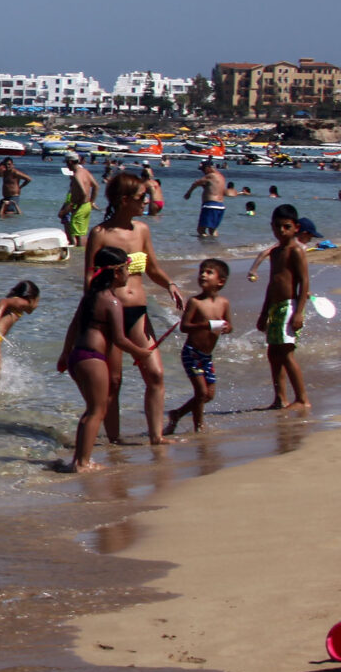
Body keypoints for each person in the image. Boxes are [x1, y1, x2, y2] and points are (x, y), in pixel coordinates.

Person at [83, 174, 186, 446]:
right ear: (124, 200)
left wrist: (170, 285)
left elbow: (152, 268)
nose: (147, 202)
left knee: (155, 374)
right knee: (114, 381)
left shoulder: (141, 230)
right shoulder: (100, 234)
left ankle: (157, 436)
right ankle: (114, 441)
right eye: (142, 198)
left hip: (138, 313)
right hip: (109, 317)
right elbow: (89, 279)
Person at [55, 246, 157, 472]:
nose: (129, 275)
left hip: (77, 356)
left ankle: (79, 460)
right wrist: (141, 352)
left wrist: (64, 354)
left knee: (92, 410)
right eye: (127, 269)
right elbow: (120, 339)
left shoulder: (90, 297)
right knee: (96, 411)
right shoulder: (112, 302)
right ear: (117, 273)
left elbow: (73, 327)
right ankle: (82, 462)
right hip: (93, 359)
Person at [247, 204, 310, 410]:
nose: (281, 231)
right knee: (273, 354)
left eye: (286, 226)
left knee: (286, 352)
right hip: (275, 308)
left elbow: (304, 282)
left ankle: (301, 399)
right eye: (277, 226)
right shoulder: (275, 253)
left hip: (290, 307)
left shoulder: (295, 251)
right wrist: (264, 313)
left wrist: (299, 312)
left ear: (296, 227)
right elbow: (272, 284)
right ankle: (280, 398)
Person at [167, 259, 233, 433]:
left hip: (207, 356)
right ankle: (199, 426)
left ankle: (178, 413)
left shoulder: (224, 303)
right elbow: (184, 327)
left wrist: (226, 328)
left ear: (221, 281)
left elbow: (229, 325)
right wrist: (205, 325)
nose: (203, 274)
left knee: (209, 395)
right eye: (201, 271)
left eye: (209, 272)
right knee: (201, 393)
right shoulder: (195, 302)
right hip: (192, 353)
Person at [58, 153, 98, 247]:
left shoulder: (77, 175)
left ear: (70, 162)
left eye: (67, 164)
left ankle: (79, 254)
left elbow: (83, 193)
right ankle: (80, 256)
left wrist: (76, 207)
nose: (67, 166)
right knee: (81, 232)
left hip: (80, 206)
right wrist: (91, 202)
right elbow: (96, 186)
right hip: (87, 206)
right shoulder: (85, 171)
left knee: (77, 235)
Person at [185, 160, 228, 237]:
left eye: (203, 169)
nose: (203, 172)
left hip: (210, 205)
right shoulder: (221, 177)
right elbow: (216, 189)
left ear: (208, 168)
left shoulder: (211, 175)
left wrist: (189, 193)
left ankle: (205, 247)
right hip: (220, 206)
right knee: (212, 230)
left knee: (201, 230)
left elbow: (196, 183)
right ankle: (214, 246)